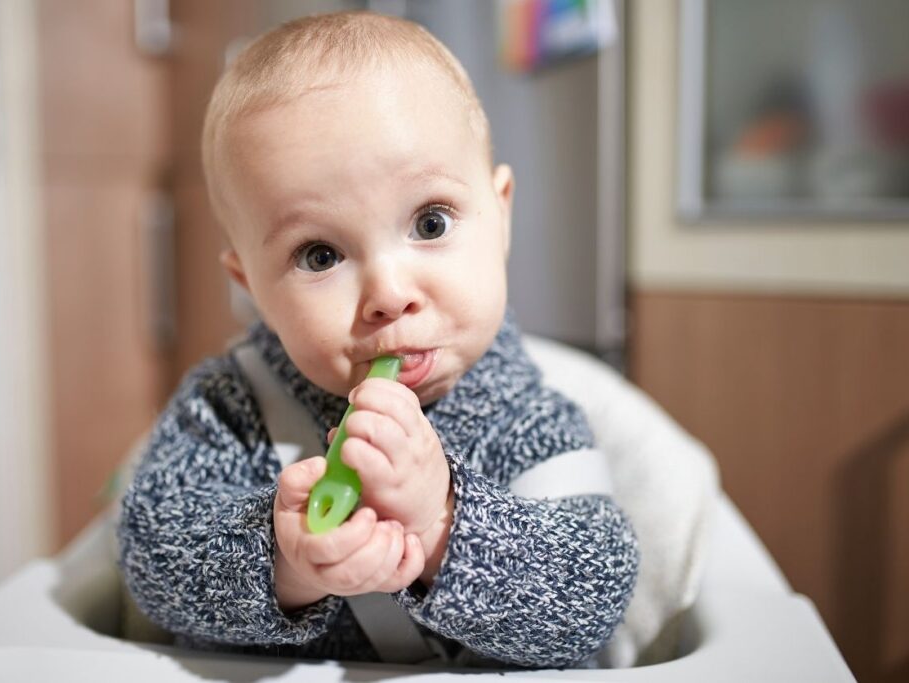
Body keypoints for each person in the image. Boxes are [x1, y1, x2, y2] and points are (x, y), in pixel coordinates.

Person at [118, 10, 638, 669]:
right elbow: (150, 552)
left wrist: (444, 524)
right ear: (249, 283)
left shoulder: (529, 417)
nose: (390, 293)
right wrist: (282, 559)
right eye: (319, 255)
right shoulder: (231, 407)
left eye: (429, 221)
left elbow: (591, 597)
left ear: (499, 214)